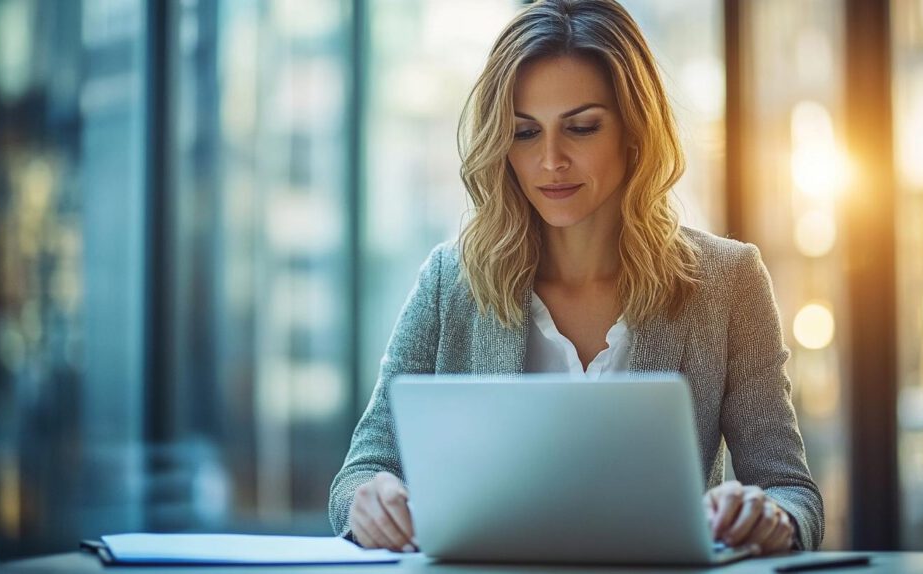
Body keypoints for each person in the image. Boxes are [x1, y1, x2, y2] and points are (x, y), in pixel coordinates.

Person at [329, 0, 824, 555]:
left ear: (634, 131)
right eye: (523, 133)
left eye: (581, 128)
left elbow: (792, 491)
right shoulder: (452, 282)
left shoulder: (728, 282)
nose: (550, 160)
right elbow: (361, 471)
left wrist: (770, 515)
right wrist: (369, 502)